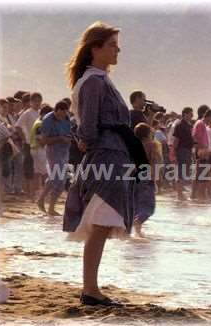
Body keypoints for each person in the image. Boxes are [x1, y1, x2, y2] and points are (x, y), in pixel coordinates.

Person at [63, 21, 135, 306]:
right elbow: (89, 127)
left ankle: (91, 288)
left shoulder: (97, 79)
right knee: (101, 222)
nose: (117, 51)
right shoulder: (94, 81)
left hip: (110, 154)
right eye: (112, 46)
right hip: (107, 155)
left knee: (102, 223)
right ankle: (90, 290)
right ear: (95, 49)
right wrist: (88, 142)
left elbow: (86, 127)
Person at [37, 101, 72, 216]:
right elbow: (43, 141)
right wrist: (59, 138)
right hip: (53, 151)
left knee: (54, 177)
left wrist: (67, 138)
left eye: (65, 114)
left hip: (64, 151)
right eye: (60, 114)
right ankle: (51, 207)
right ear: (56, 110)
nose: (62, 116)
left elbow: (69, 133)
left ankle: (41, 199)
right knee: (60, 180)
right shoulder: (48, 119)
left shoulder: (67, 118)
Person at [15, 92, 43, 199]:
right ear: (31, 102)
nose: (37, 103)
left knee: (38, 168)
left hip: (39, 144)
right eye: (35, 101)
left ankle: (35, 192)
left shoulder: (40, 113)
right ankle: (29, 193)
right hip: (28, 143)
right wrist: (24, 138)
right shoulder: (27, 113)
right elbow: (17, 126)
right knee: (29, 168)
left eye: (39, 101)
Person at [133, 123, 157, 237]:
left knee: (136, 205)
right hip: (146, 178)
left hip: (132, 178)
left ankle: (135, 231)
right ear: (147, 134)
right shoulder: (151, 145)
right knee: (148, 207)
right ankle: (137, 226)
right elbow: (154, 162)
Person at [191, 108, 211, 200]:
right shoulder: (200, 124)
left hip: (203, 152)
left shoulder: (202, 124)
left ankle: (195, 197)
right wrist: (200, 152)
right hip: (202, 153)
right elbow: (195, 139)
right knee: (202, 176)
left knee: (200, 175)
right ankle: (200, 198)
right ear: (209, 116)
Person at [173, 107, 194, 200]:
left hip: (187, 150)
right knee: (181, 171)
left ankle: (180, 193)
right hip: (182, 150)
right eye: (190, 114)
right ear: (185, 114)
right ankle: (179, 194)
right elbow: (176, 140)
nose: (192, 116)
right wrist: (174, 153)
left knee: (184, 172)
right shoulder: (180, 125)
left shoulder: (188, 125)